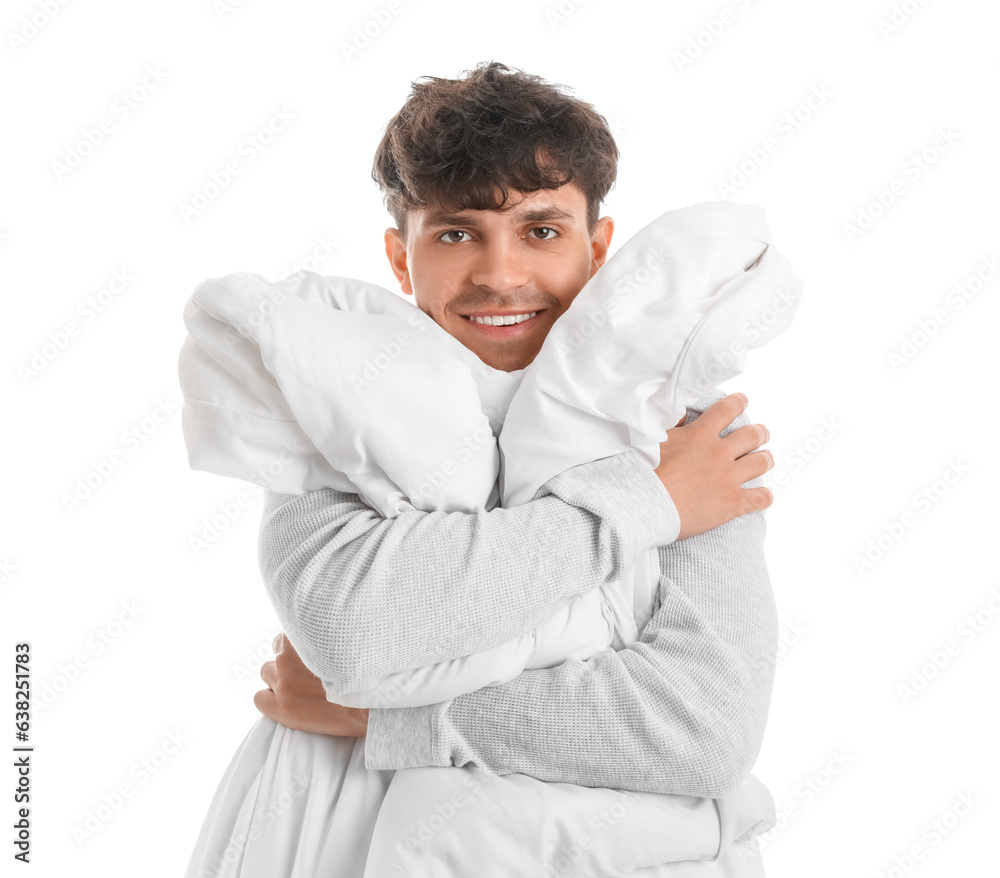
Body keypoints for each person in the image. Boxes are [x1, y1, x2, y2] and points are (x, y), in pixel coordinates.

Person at [192, 60, 780, 876]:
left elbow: (698, 731)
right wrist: (647, 504)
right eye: (457, 232)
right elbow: (355, 634)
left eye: (540, 231)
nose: (500, 274)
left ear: (598, 250)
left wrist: (390, 721)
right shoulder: (332, 412)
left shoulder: (686, 437)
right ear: (402, 260)